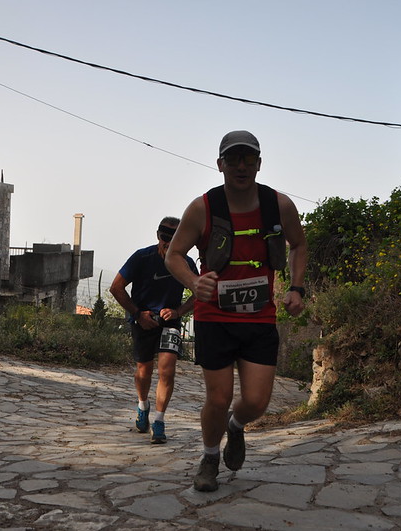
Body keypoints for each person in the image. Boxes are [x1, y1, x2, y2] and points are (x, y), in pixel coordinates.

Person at [164, 130, 307, 491]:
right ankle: (210, 457)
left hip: (260, 316)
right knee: (219, 397)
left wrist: (296, 287)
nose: (240, 166)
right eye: (233, 159)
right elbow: (174, 255)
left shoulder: (279, 205)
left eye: (248, 159)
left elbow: (299, 245)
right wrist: (195, 284)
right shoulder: (203, 208)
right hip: (215, 318)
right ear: (220, 164)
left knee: (257, 401)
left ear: (259, 164)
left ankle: (236, 426)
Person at [110, 217, 197, 444]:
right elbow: (116, 287)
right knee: (143, 371)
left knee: (167, 370)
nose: (168, 243)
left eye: (175, 238)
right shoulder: (142, 257)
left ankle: (159, 421)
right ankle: (142, 406)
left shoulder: (186, 263)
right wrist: (138, 314)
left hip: (170, 323)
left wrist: (178, 312)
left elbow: (200, 293)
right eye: (165, 237)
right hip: (143, 321)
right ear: (158, 236)